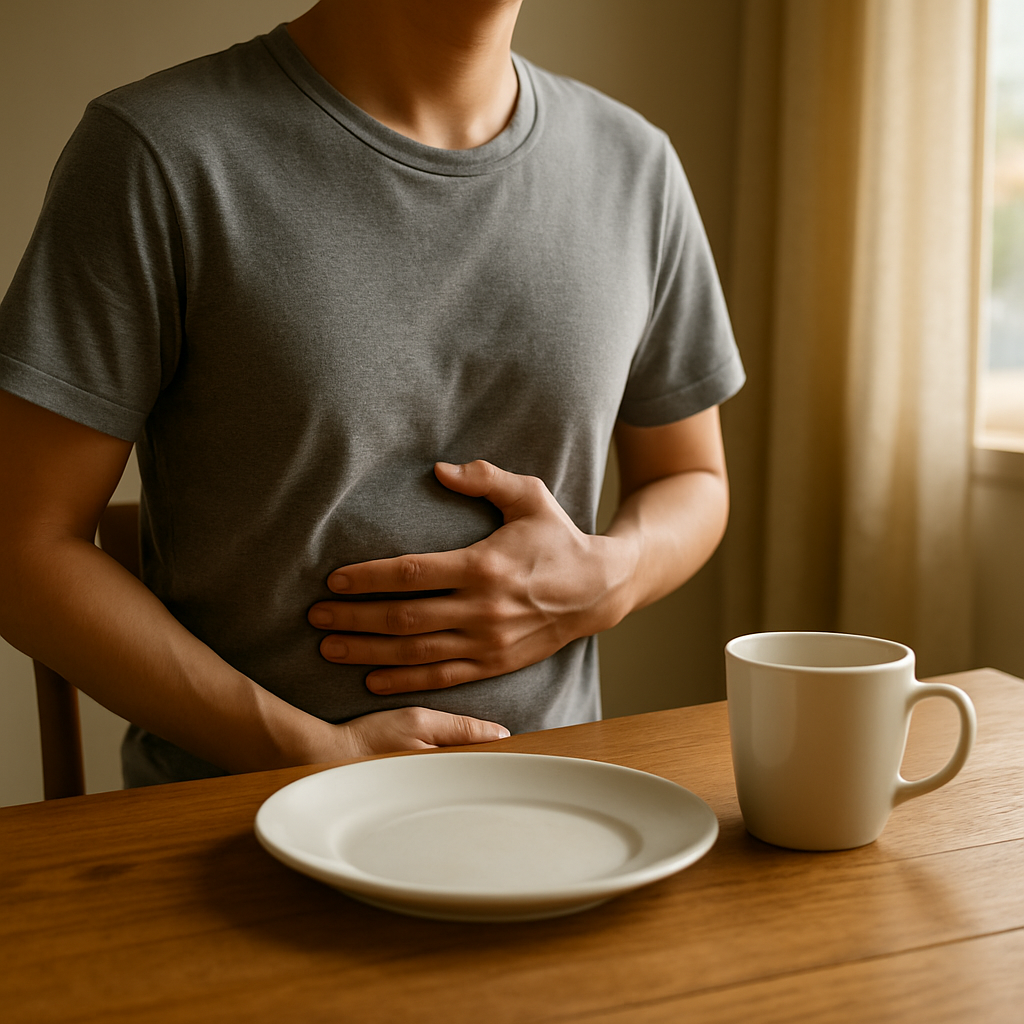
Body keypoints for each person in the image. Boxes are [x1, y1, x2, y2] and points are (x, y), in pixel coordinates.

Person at [0, 0, 744, 786]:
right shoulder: (158, 153)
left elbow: (690, 478)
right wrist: (307, 755)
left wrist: (608, 578)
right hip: (235, 824)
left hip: (561, 812)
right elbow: (21, 546)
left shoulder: (635, 164)